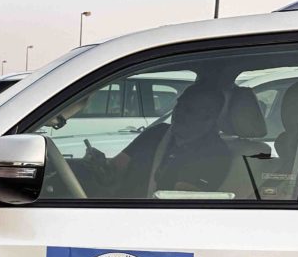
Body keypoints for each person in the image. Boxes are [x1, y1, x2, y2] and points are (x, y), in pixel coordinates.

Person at [82, 83, 231, 197]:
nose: (179, 112)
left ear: (209, 118)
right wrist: (100, 165)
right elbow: (112, 173)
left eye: (189, 110)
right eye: (179, 104)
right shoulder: (157, 133)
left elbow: (178, 203)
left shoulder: (215, 154)